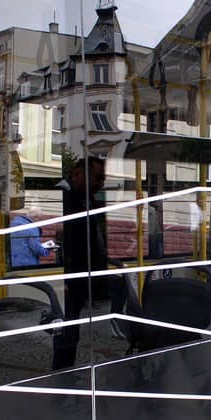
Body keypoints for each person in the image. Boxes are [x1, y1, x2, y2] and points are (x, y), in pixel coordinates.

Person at [52, 156, 123, 369]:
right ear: (78, 175)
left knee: (71, 328)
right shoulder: (67, 197)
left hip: (85, 271)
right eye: (98, 177)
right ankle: (62, 372)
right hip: (74, 274)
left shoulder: (85, 197)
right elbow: (70, 238)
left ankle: (64, 369)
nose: (101, 182)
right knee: (68, 329)